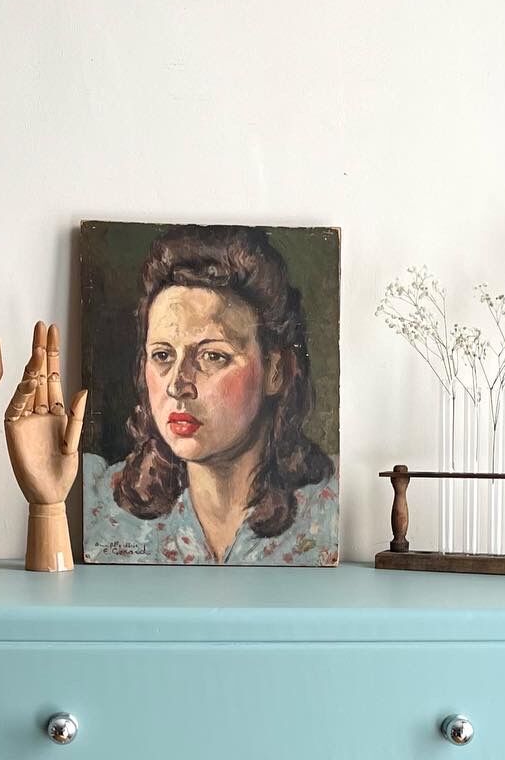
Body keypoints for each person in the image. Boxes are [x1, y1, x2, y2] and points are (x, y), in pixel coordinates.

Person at [84, 226, 338, 565]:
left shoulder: (329, 509)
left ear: (274, 371)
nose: (178, 385)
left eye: (212, 356)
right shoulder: (99, 502)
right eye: (162, 355)